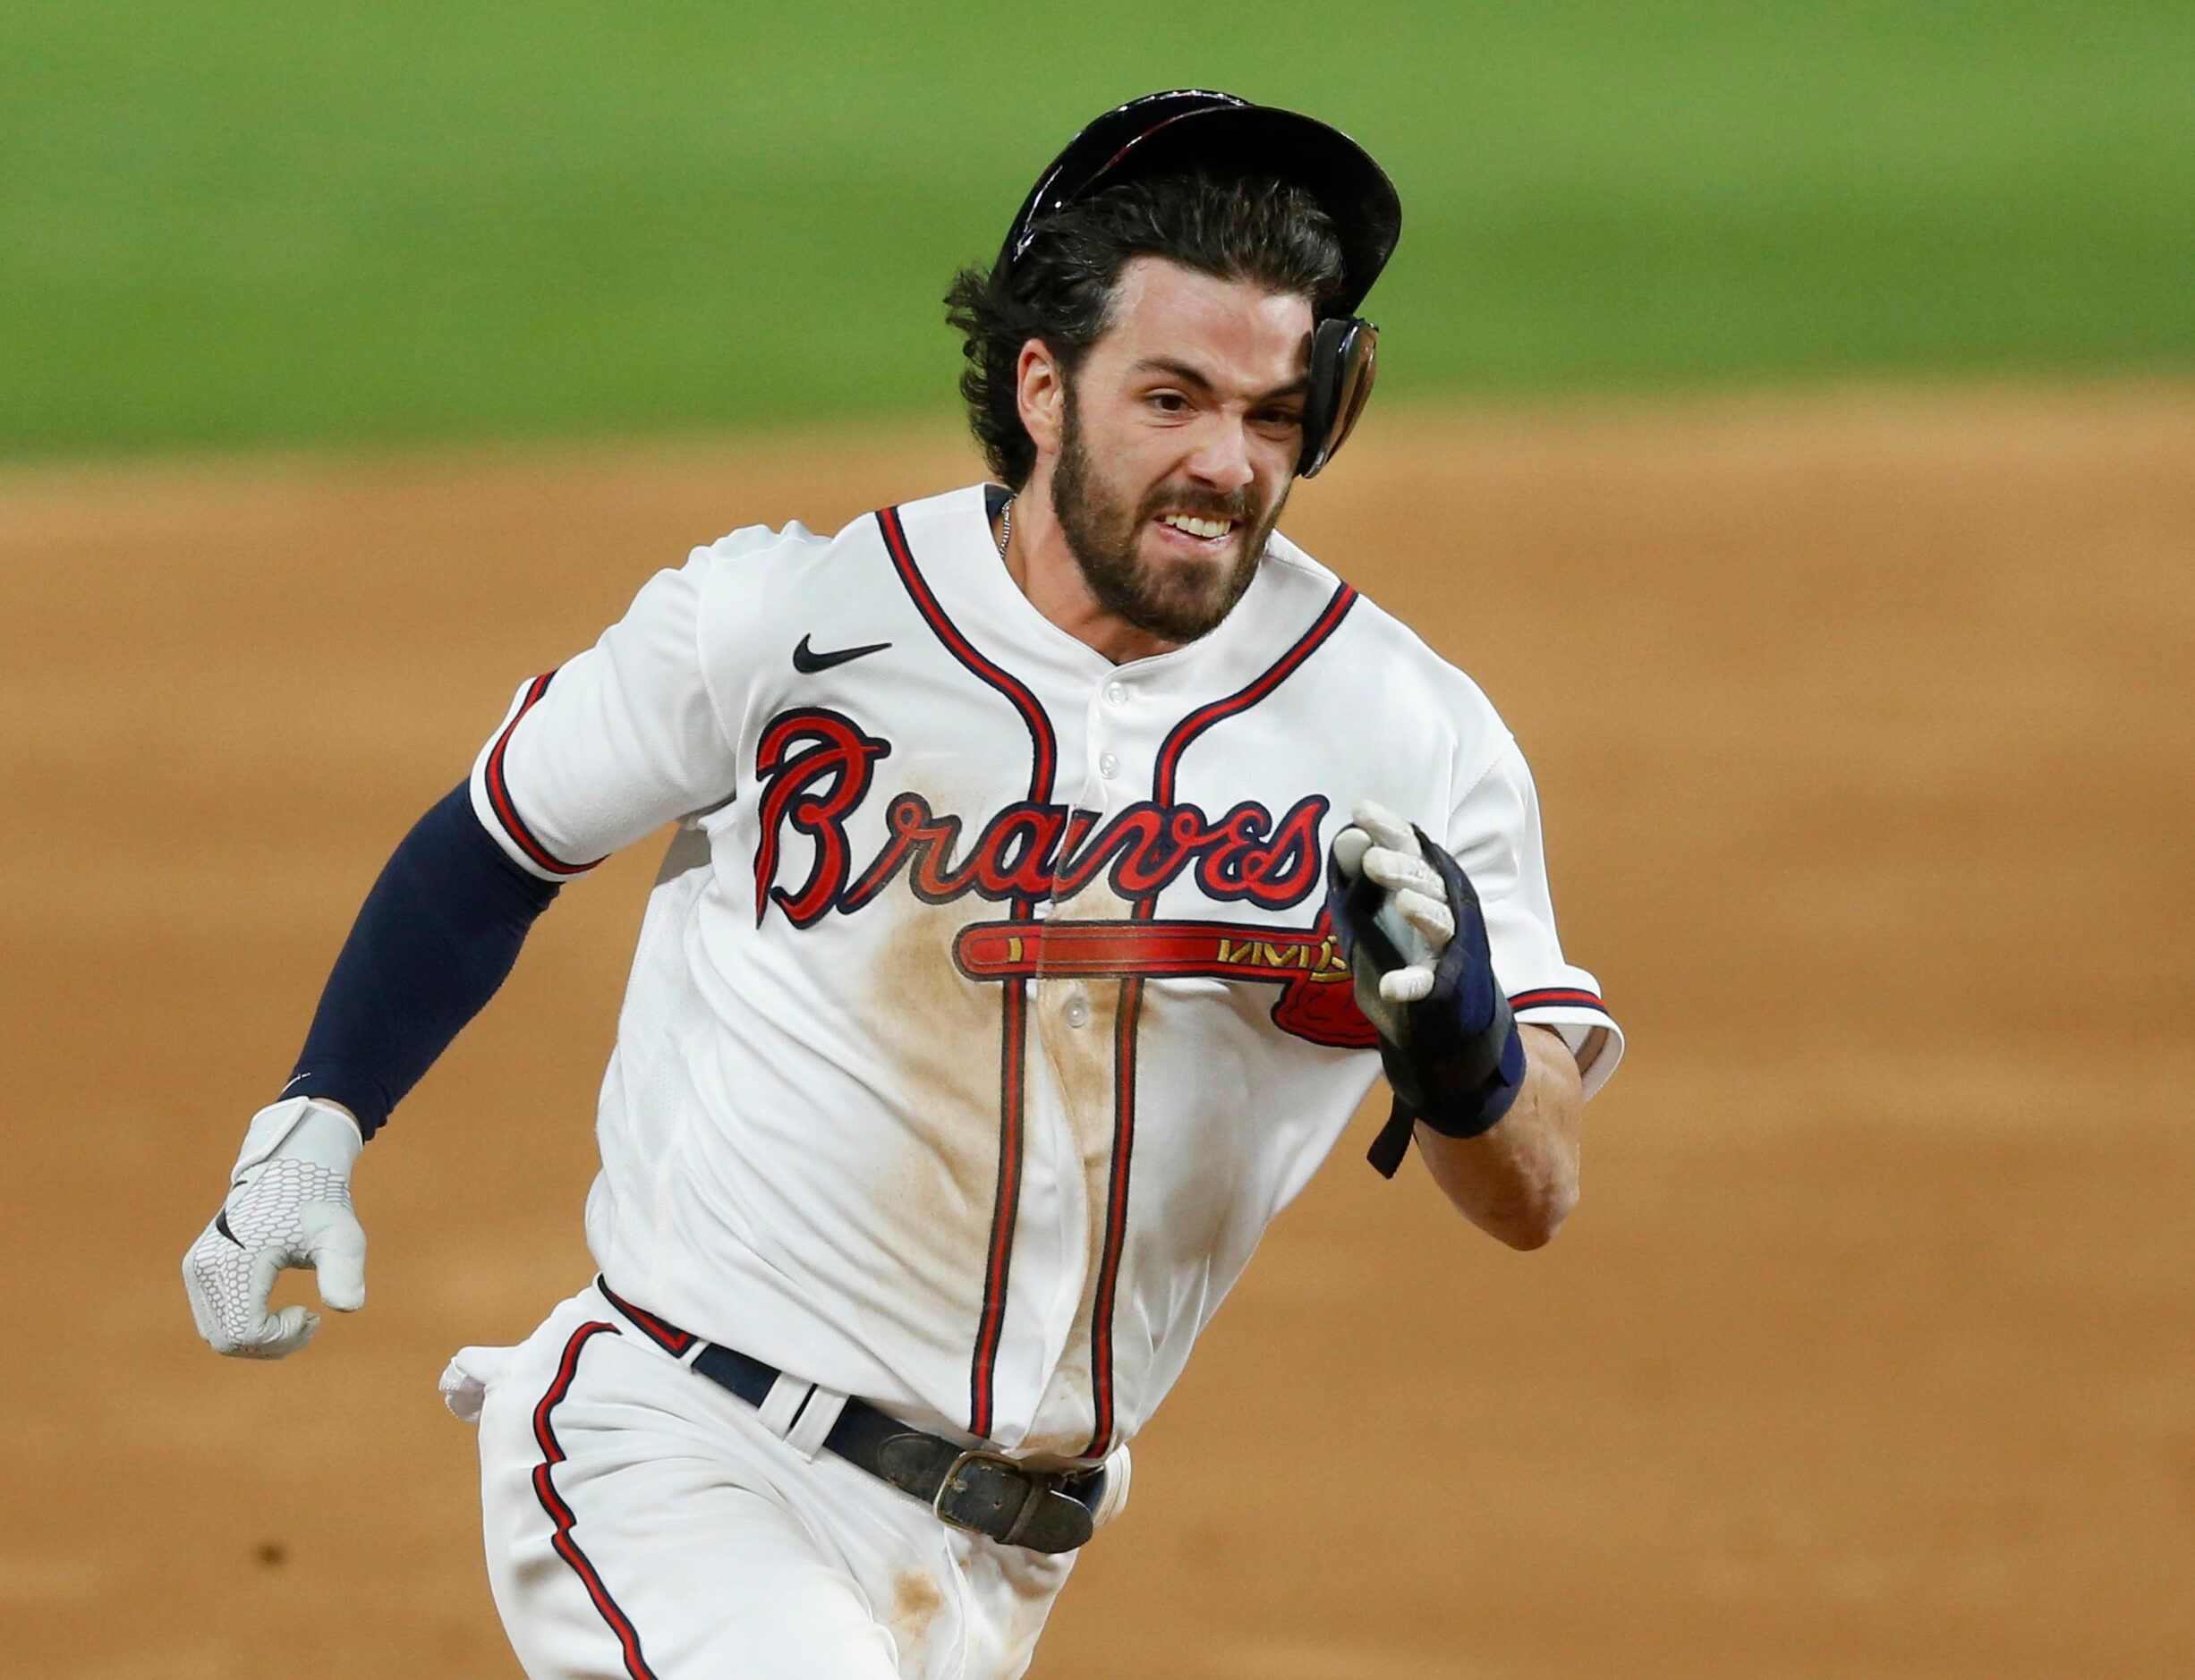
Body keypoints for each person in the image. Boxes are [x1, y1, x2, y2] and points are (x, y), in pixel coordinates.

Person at [183, 89, 1622, 1679]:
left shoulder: (1402, 734)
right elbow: (495, 843)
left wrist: (1460, 1042)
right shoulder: (786, 618)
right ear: (1043, 387)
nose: (1225, 460)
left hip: (998, 1564)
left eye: (1273, 415)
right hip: (681, 1449)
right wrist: (314, 1119)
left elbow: (1533, 1190)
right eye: (1173, 397)